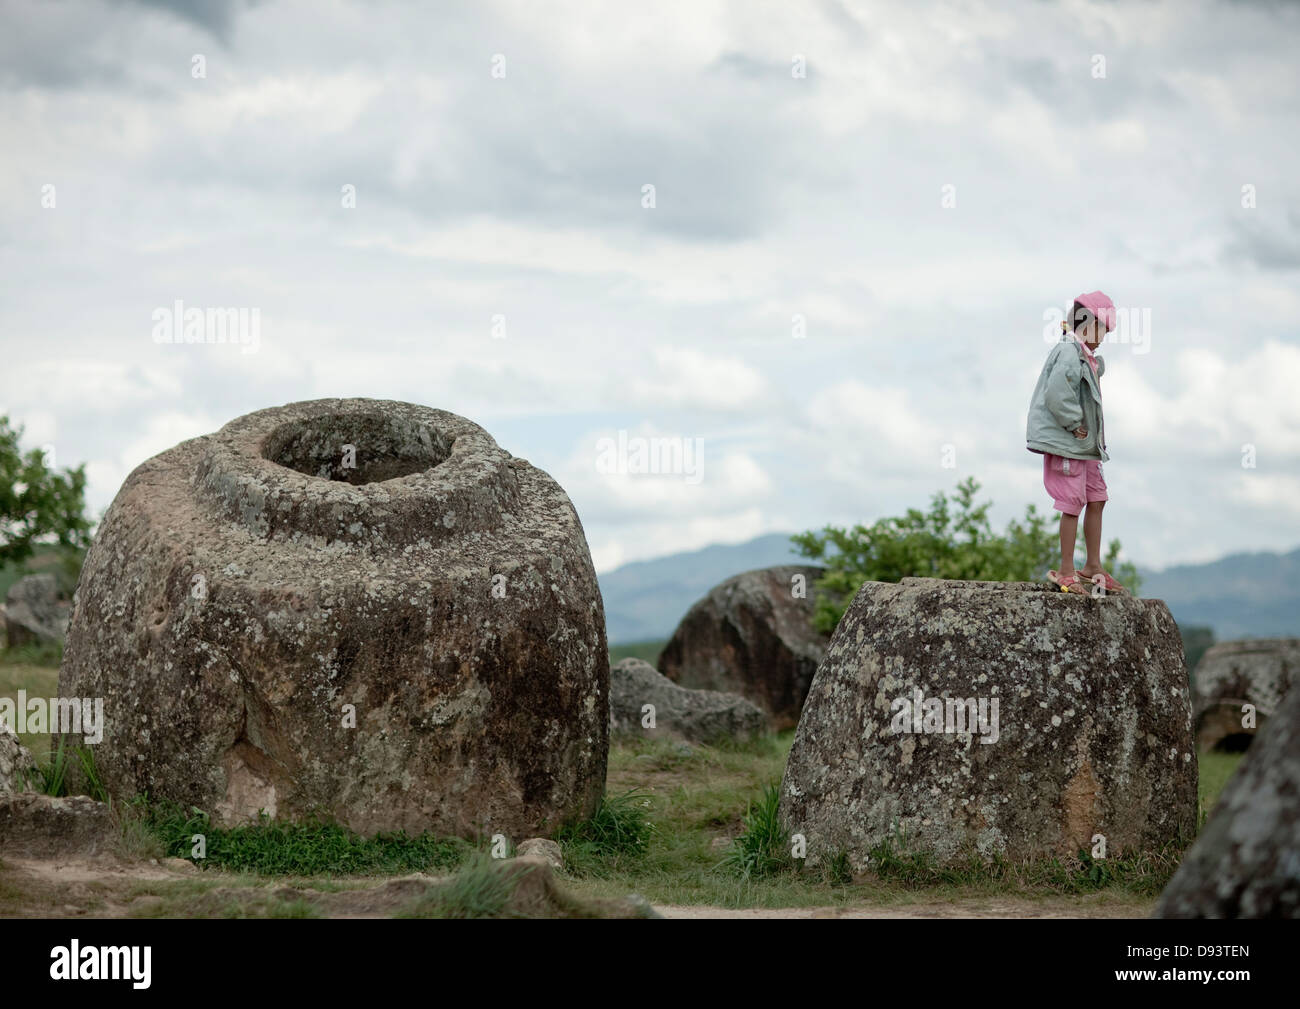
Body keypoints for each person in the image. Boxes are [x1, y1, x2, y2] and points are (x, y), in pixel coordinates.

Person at [1025, 290, 1127, 593]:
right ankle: (1066, 570)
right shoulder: (1068, 351)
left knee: (1097, 498)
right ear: (1088, 323)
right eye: (1103, 330)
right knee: (1072, 502)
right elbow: (1057, 393)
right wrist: (1074, 423)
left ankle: (1092, 564)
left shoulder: (1084, 354)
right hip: (1069, 442)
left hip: (1087, 446)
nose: (1103, 338)